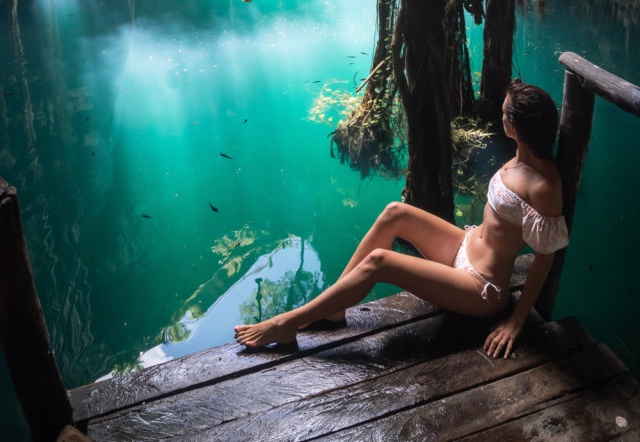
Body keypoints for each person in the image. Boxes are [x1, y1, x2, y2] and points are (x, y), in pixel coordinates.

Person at [234, 81, 569, 358]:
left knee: (380, 261)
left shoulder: (544, 186)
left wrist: (516, 321)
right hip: (464, 245)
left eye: (503, 113)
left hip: (481, 286)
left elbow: (544, 259)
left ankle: (288, 323)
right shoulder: (520, 155)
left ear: (516, 125)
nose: (500, 117)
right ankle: (334, 306)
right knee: (395, 212)